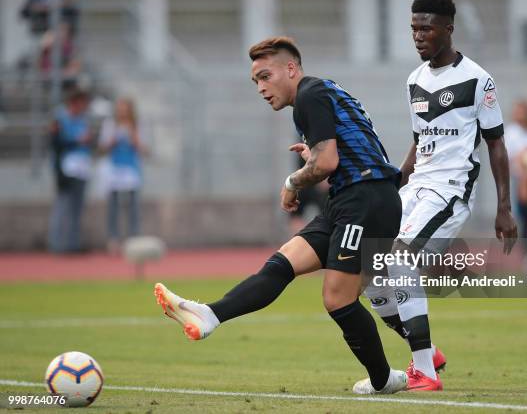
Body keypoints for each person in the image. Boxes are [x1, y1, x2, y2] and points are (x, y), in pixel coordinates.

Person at [154, 37, 409, 394]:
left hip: (367, 199)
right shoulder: (319, 93)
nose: (260, 87)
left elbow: (328, 161)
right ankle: (210, 314)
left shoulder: (309, 95)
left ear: (291, 69)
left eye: (265, 76)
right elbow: (345, 150)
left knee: (338, 298)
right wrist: (314, 159)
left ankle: (386, 378)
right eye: (255, 81)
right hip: (349, 198)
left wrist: (293, 181)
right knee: (282, 262)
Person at [362, 0, 517, 391]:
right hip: (416, 187)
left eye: (426, 28)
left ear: (448, 29)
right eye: (413, 28)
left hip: (449, 190)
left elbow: (496, 144)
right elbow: (420, 142)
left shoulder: (477, 79)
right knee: (365, 274)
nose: (418, 36)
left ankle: (425, 373)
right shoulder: (414, 80)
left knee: (400, 260)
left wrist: (504, 208)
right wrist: (394, 182)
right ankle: (428, 353)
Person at [98, 97, 147, 254]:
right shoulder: (110, 125)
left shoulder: (137, 125)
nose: (122, 111)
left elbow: (144, 149)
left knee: (133, 206)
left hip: (131, 169)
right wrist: (113, 139)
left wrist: (133, 136)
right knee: (113, 206)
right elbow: (102, 148)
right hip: (114, 169)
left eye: (125, 108)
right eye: (120, 108)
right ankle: (113, 239)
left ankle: (134, 238)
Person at [48, 88, 92, 253]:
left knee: (77, 208)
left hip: (81, 167)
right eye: (81, 103)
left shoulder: (82, 119)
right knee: (62, 207)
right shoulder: (59, 118)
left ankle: (73, 244)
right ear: (74, 102)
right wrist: (77, 141)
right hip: (65, 168)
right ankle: (57, 244)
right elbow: (57, 143)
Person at [505, 99, 527, 252]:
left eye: (521, 110)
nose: (517, 114)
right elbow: (509, 157)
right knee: (525, 218)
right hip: (521, 179)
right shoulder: (511, 131)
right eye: (516, 111)